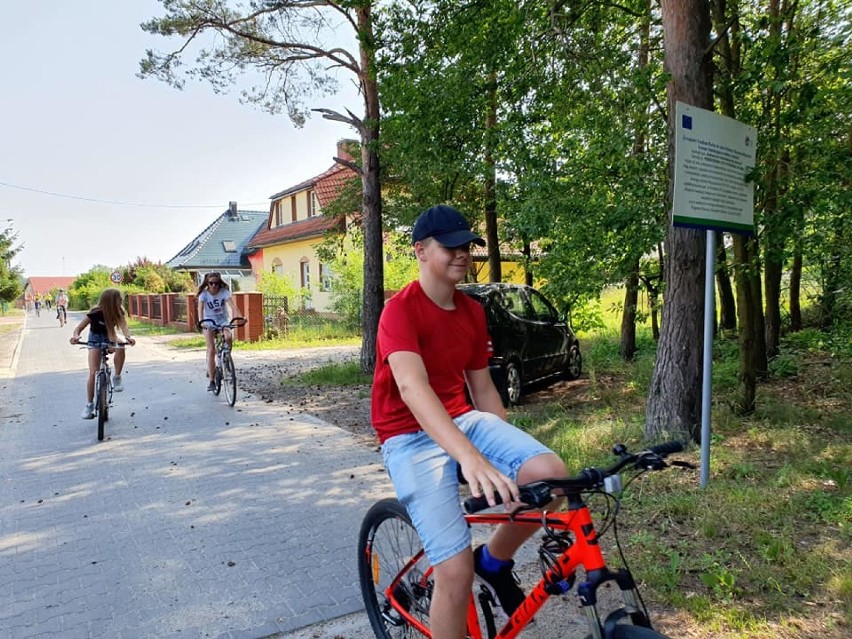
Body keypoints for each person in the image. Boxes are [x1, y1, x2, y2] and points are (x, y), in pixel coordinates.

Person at [371, 204, 568, 639]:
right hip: (408, 436)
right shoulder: (399, 312)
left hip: (462, 420)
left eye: (468, 246)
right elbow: (413, 389)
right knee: (454, 573)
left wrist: (499, 446)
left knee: (550, 477)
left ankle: (495, 563)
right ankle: (468, 570)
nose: (463, 254)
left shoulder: (472, 311)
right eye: (451, 246)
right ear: (420, 250)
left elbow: (481, 389)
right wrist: (471, 459)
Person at [69, 288, 136, 419]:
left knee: (121, 347)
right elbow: (79, 328)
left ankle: (117, 377)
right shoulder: (94, 313)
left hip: (110, 339)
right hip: (94, 341)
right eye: (119, 299)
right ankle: (89, 404)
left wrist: (129, 337)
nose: (121, 301)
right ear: (110, 300)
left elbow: (124, 327)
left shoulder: (118, 312)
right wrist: (76, 337)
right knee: (93, 372)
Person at [196, 272, 239, 392]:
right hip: (209, 322)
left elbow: (233, 306)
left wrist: (240, 316)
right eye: (211, 283)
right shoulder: (204, 295)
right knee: (211, 350)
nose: (214, 285)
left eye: (216, 283)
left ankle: (226, 358)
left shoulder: (224, 292)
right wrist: (201, 322)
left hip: (222, 321)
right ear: (207, 284)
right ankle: (212, 381)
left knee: (228, 337)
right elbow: (200, 309)